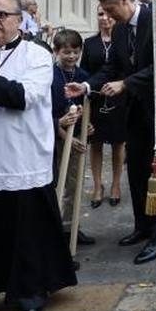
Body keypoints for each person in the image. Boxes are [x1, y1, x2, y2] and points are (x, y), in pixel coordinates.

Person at [0, 0, 76, 311]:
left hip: (24, 156)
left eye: (2, 15)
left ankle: (30, 293)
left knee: (26, 230)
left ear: (19, 20)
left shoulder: (37, 56)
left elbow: (24, 96)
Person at [67, 0, 156, 264]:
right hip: (134, 110)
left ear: (124, 0)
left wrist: (127, 83)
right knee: (135, 170)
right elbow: (112, 67)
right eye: (103, 12)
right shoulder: (120, 30)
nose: (108, 17)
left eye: (110, 10)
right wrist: (86, 86)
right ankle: (142, 226)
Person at [49, 29, 95, 248]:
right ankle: (54, 229)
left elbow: (86, 107)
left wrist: (87, 125)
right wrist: (64, 133)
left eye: (75, 52)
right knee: (56, 182)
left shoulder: (82, 76)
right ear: (57, 52)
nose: (71, 57)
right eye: (66, 52)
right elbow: (49, 114)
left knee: (73, 185)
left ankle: (71, 226)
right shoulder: (51, 77)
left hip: (75, 138)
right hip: (55, 138)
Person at [80, 6, 126, 209]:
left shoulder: (124, 43)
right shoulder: (89, 43)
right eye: (100, 14)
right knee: (95, 143)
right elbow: (85, 72)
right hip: (96, 100)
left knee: (118, 144)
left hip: (119, 98)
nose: (105, 18)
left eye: (109, 14)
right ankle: (97, 185)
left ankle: (116, 184)